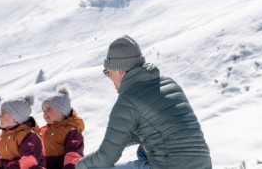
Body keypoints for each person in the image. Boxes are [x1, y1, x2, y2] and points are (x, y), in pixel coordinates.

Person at [76, 36, 211, 169]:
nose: (108, 77)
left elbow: (106, 158)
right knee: (143, 150)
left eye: (107, 72)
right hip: (203, 164)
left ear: (120, 71)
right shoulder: (170, 83)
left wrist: (80, 165)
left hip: (170, 165)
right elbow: (162, 129)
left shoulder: (127, 101)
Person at [0, 94, 47, 169]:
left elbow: (29, 160)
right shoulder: (0, 137)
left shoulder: (29, 136)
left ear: (15, 118)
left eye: (3, 113)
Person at [39, 87, 85, 169]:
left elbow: (73, 154)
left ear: (62, 111)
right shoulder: (42, 131)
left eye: (49, 109)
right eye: (43, 110)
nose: (44, 114)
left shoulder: (71, 132)